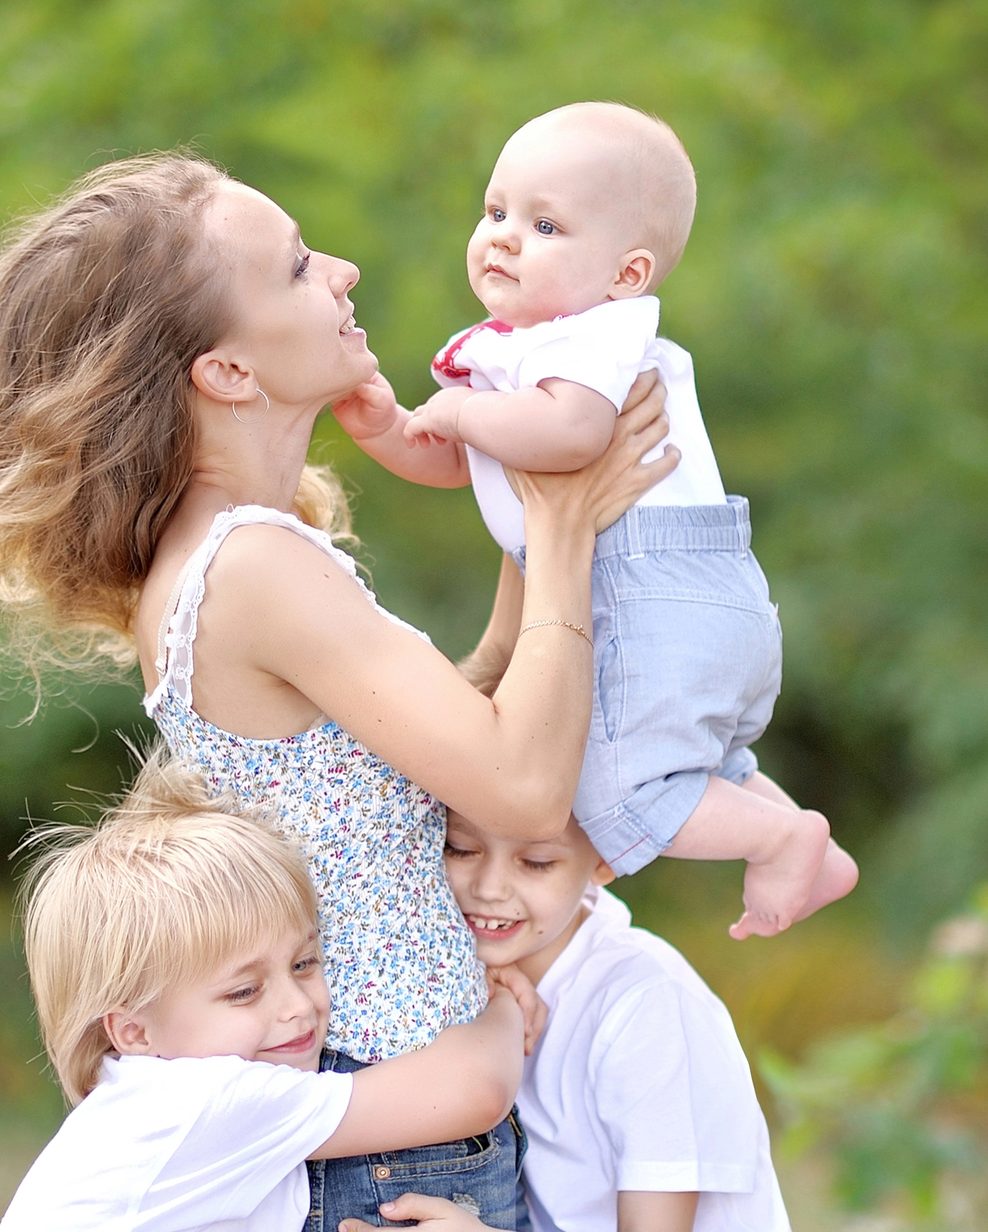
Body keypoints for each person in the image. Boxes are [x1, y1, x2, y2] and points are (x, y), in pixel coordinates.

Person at [0, 150, 676, 1232]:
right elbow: (519, 785)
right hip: (391, 1149)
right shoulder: (252, 566)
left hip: (391, 1136)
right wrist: (559, 540)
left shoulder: (231, 551)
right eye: (298, 266)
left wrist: (535, 511)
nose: (342, 271)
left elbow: (457, 732)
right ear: (226, 368)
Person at [342, 101, 857, 941]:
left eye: (545, 224)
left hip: (646, 594)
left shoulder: (588, 340)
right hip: (697, 596)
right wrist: (393, 430)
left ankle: (780, 835)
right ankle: (800, 835)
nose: (505, 236)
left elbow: (570, 435)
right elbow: (475, 460)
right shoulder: (530, 346)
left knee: (612, 790)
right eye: (496, 210)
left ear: (627, 273)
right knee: (701, 762)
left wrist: (462, 415)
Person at [0, 754, 538, 1232]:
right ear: (135, 1032)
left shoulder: (145, 1102)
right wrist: (506, 1003)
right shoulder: (200, 1105)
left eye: (305, 963)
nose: (296, 1005)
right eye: (243, 992)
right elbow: (475, 1089)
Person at [320, 803, 811, 1232]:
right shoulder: (457, 991)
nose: (489, 887)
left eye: (535, 862)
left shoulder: (647, 1001)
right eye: (460, 848)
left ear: (605, 858)